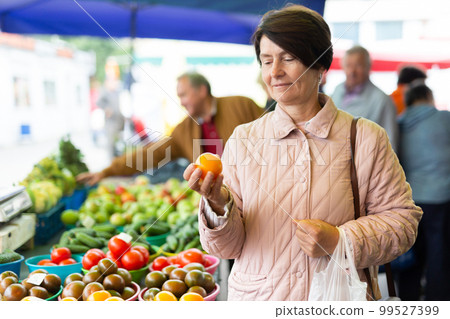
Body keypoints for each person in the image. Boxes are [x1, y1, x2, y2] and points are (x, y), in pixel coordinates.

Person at [183, 5, 422, 301]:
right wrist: (218, 205)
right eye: (266, 61)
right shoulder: (243, 140)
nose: (275, 72)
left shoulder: (366, 137)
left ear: (321, 65)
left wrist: (340, 239)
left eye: (288, 58)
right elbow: (226, 248)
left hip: (338, 301)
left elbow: (403, 222)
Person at [77, 72, 264, 185]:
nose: (181, 102)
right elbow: (150, 154)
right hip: (222, 202)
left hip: (258, 191)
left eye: (183, 95)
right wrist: (108, 171)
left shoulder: (241, 105)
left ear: (201, 90)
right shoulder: (184, 130)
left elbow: (275, 134)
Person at [396, 83, 450, 301]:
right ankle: (437, 305)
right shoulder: (445, 118)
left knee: (410, 256)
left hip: (409, 200)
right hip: (441, 198)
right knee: (439, 257)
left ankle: (409, 304)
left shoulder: (398, 123)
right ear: (429, 96)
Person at [331, 46, 399, 152]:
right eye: (348, 65)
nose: (352, 71)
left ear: (368, 67)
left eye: (358, 66)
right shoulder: (337, 91)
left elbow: (390, 143)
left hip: (365, 163)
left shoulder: (382, 100)